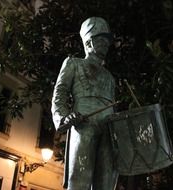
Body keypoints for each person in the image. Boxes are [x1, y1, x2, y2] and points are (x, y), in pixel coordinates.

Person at [51, 17, 118, 190]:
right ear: (88, 42)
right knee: (79, 181)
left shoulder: (110, 77)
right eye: (100, 39)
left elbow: (113, 105)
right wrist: (63, 118)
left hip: (108, 129)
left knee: (106, 183)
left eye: (106, 41)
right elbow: (60, 93)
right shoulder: (73, 63)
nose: (105, 44)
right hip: (83, 125)